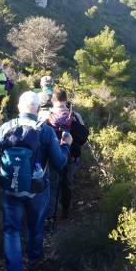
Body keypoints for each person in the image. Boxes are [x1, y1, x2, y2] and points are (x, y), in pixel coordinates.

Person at [0, 91, 72, 271]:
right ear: (37, 109)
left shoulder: (6, 128)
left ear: (18, 107)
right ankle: (33, 261)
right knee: (35, 226)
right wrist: (66, 146)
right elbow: (59, 163)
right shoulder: (46, 131)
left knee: (11, 231)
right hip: (37, 190)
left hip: (10, 189)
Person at [44, 88, 88, 220]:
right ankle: (66, 211)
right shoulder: (75, 116)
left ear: (53, 100)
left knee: (51, 185)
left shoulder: (46, 115)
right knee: (66, 183)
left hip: (52, 157)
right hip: (70, 157)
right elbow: (83, 136)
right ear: (66, 100)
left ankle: (50, 216)